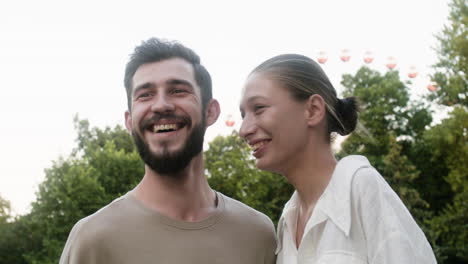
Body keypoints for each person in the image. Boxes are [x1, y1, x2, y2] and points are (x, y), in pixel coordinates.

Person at [59, 38, 276, 264]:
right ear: (129, 120)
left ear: (210, 111)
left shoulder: (258, 234)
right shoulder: (93, 240)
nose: (161, 105)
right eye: (145, 94)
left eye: (178, 90)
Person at [239, 54, 437, 264]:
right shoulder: (287, 221)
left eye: (258, 108)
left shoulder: (361, 187)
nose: (244, 130)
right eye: (243, 115)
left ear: (313, 110)